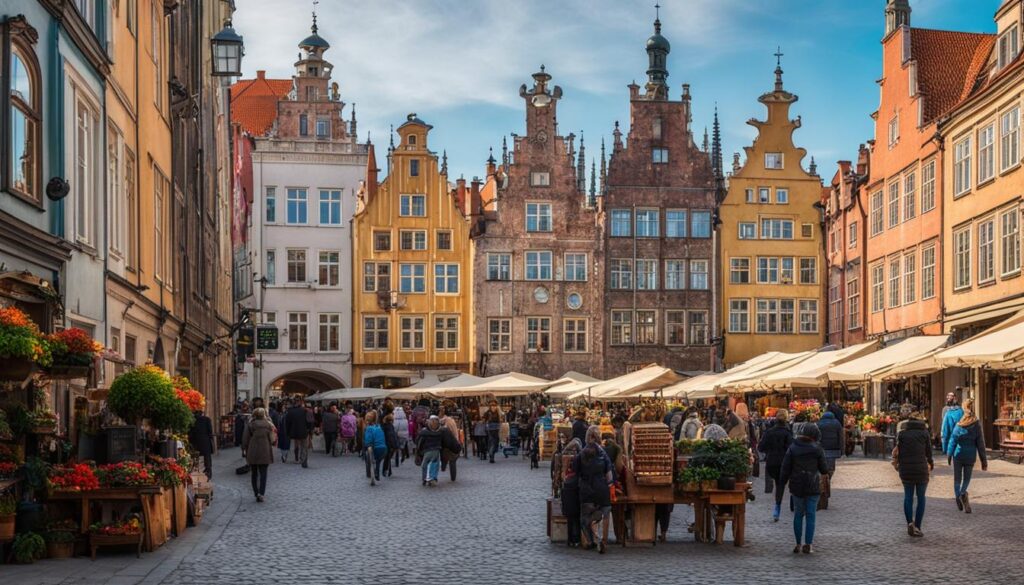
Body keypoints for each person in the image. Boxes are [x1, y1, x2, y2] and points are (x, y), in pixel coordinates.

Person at [780, 422, 828, 554]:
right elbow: (824, 469)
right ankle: (808, 544)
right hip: (812, 485)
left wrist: (782, 483)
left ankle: (797, 544)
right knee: (811, 515)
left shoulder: (792, 448)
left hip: (797, 485)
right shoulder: (817, 449)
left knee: (798, 514)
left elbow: (785, 468)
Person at [576, 426, 614, 554]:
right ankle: (603, 540)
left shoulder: (581, 453)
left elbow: (575, 471)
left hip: (586, 489)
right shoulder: (603, 454)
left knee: (585, 516)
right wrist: (610, 486)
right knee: (606, 513)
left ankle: (589, 540)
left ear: (587, 437)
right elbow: (609, 475)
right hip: (602, 489)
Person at [896, 416, 933, 537]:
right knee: (921, 497)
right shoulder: (924, 433)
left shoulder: (902, 434)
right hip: (921, 469)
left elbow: (898, 451)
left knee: (908, 496)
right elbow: (928, 452)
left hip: (906, 469)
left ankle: (909, 523)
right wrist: (931, 463)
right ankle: (917, 526)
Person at [949, 399, 987, 513]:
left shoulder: (959, 424)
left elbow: (953, 440)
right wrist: (983, 461)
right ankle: (962, 493)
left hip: (958, 455)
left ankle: (957, 496)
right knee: (966, 478)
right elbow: (981, 444)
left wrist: (949, 454)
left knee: (957, 479)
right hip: (970, 456)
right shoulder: (976, 424)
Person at [759, 409, 793, 522]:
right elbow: (791, 449)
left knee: (777, 482)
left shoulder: (769, 432)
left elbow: (761, 447)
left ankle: (777, 504)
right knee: (781, 484)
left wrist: (770, 449)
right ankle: (778, 507)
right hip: (784, 462)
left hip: (771, 462)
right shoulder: (788, 433)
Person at [241, 407, 275, 502]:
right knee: (264, 473)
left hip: (253, 450)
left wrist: (243, 449)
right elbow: (272, 439)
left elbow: (245, 438)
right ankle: (261, 493)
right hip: (265, 450)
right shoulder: (269, 425)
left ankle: (256, 492)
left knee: (254, 473)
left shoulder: (251, 424)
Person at [817, 410, 845, 508]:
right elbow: (841, 438)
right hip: (833, 450)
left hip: (821, 450)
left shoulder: (819, 423)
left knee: (822, 470)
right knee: (830, 470)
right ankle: (826, 485)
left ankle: (823, 486)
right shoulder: (837, 423)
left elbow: (816, 438)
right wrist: (842, 450)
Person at [416, 416, 444, 486]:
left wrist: (419, 450)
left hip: (427, 450)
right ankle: (433, 478)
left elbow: (419, 441)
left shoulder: (424, 431)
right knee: (435, 464)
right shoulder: (440, 431)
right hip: (436, 450)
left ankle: (425, 478)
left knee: (424, 465)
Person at [284, 397, 311, 468]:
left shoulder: (290, 412)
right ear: (301, 403)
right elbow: (309, 421)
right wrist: (309, 429)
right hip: (304, 431)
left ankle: (296, 458)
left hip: (294, 431)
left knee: (296, 445)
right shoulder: (305, 411)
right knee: (304, 446)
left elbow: (287, 423)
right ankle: (304, 460)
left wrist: (288, 432)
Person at [188, 409, 215, 480]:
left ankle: (196, 471)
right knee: (207, 456)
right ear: (202, 413)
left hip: (195, 442)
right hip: (205, 441)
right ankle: (208, 472)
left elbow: (190, 433)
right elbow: (210, 431)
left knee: (195, 457)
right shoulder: (207, 419)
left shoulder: (192, 421)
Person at [363, 410, 387, 486]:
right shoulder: (379, 427)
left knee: (369, 457)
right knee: (378, 461)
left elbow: (368, 439)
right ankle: (377, 472)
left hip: (375, 447)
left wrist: (367, 445)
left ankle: (372, 473)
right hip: (383, 448)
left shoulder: (369, 428)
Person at [381, 413, 399, 477]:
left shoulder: (384, 426)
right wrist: (396, 445)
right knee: (388, 457)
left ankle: (388, 470)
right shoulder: (390, 426)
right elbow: (392, 436)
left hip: (386, 443)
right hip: (389, 444)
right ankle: (385, 470)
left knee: (388, 457)